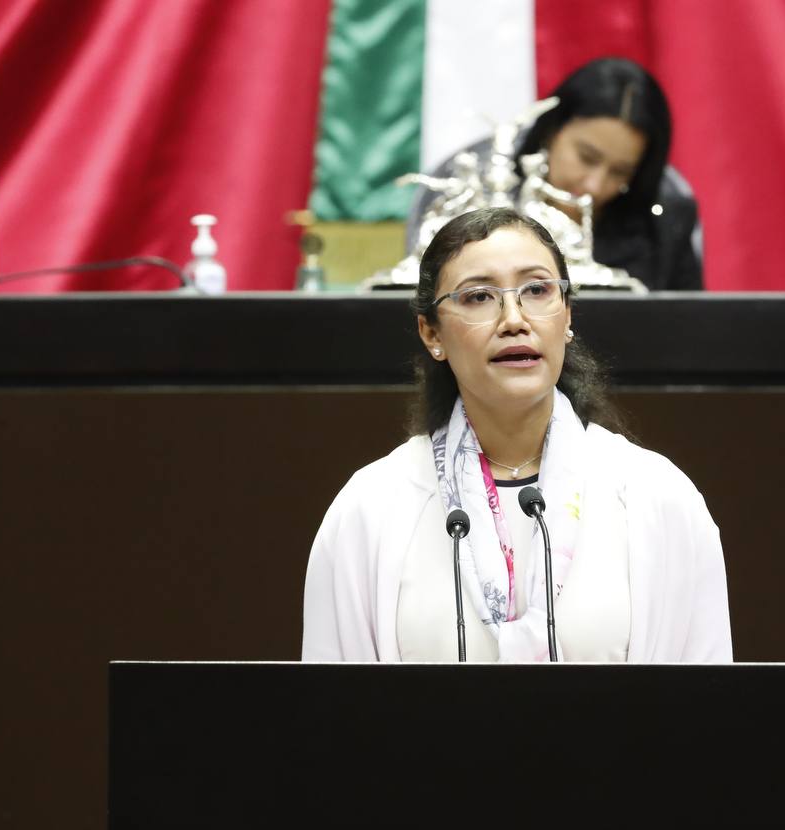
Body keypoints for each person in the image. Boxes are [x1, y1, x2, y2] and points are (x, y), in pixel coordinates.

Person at [302, 208, 730, 662]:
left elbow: (704, 696)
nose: (514, 319)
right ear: (431, 333)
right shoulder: (371, 508)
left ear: (567, 314)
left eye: (537, 290)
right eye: (479, 297)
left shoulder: (656, 497)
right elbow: (335, 700)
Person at [407, 57, 704, 291]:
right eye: (586, 157)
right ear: (551, 131)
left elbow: (687, 328)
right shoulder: (473, 189)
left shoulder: (665, 214)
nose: (595, 185)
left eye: (620, 172)